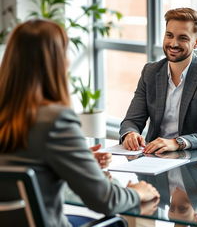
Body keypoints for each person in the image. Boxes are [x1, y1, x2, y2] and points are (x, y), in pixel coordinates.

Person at [0, 19, 159, 227]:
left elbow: (21, 159)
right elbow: (105, 200)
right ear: (55, 62)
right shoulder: (55, 120)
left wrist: (77, 161)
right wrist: (137, 193)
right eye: (65, 52)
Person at [120, 7, 197, 153]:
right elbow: (131, 121)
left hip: (192, 160)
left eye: (182, 38)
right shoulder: (150, 72)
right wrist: (130, 134)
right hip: (153, 158)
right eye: (169, 35)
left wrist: (178, 143)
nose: (173, 43)